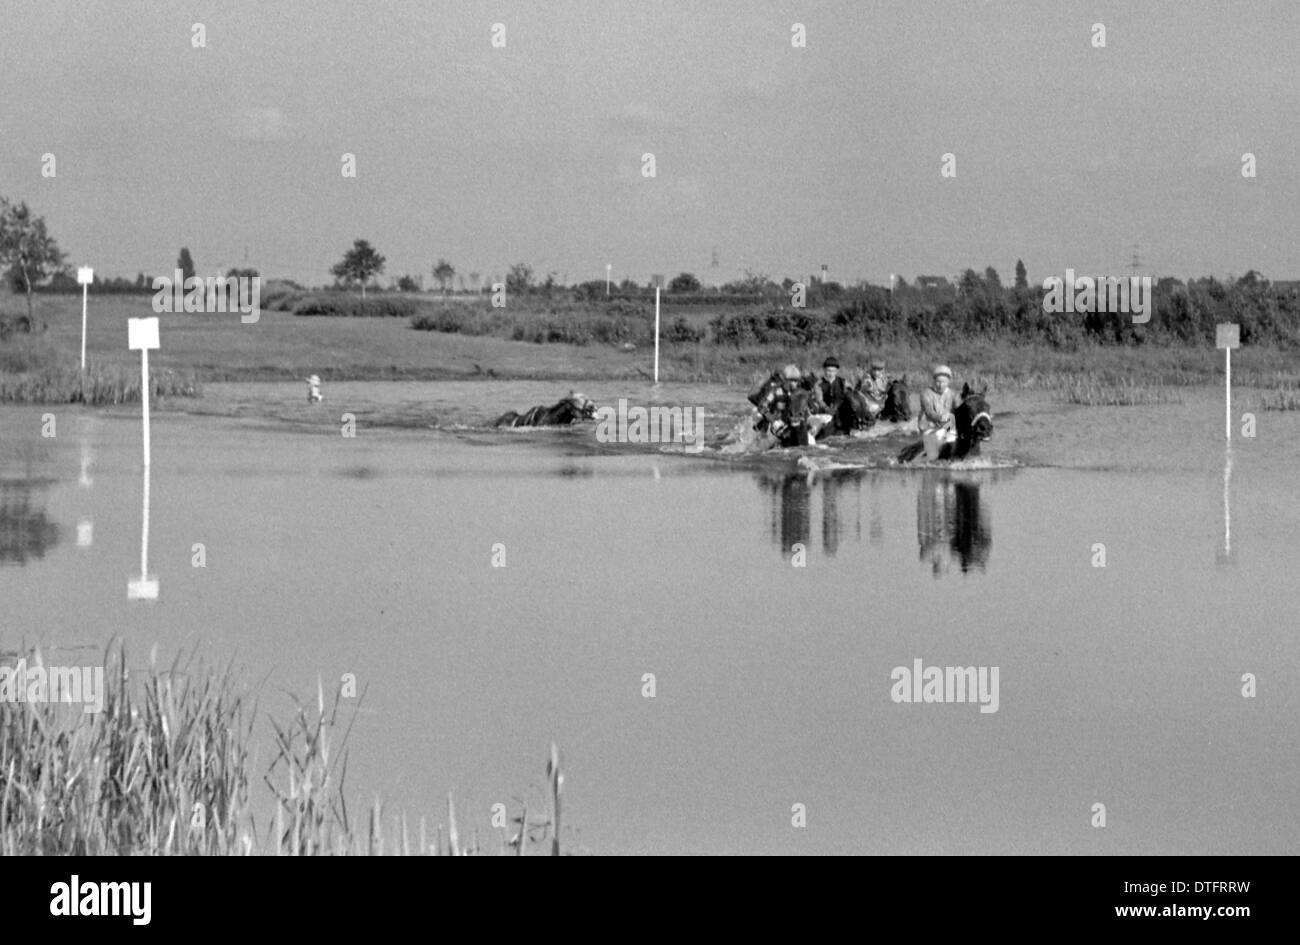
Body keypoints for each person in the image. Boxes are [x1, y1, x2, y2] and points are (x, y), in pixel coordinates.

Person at [918, 364, 958, 434]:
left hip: (948, 426)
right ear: (934, 381)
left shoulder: (954, 395)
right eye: (938, 382)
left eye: (943, 382)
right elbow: (928, 410)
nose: (941, 385)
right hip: (929, 426)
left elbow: (957, 409)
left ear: (948, 382)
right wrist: (940, 418)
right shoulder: (926, 393)